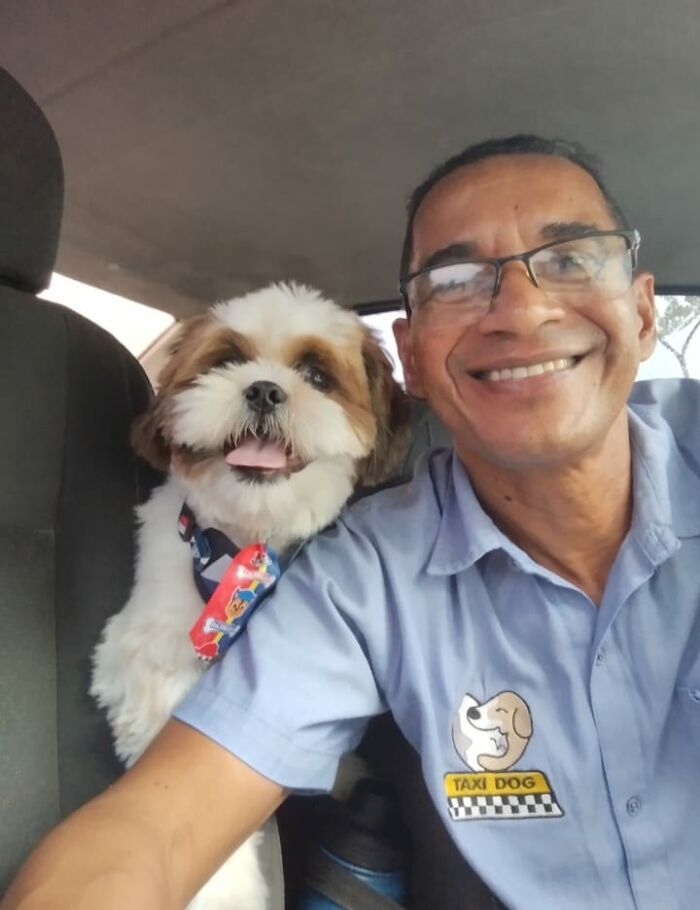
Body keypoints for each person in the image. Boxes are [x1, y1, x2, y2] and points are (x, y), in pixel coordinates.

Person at [4, 135, 700, 910]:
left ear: (643, 311)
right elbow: (157, 828)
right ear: (413, 352)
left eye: (569, 258)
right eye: (459, 279)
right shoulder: (360, 577)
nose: (523, 308)